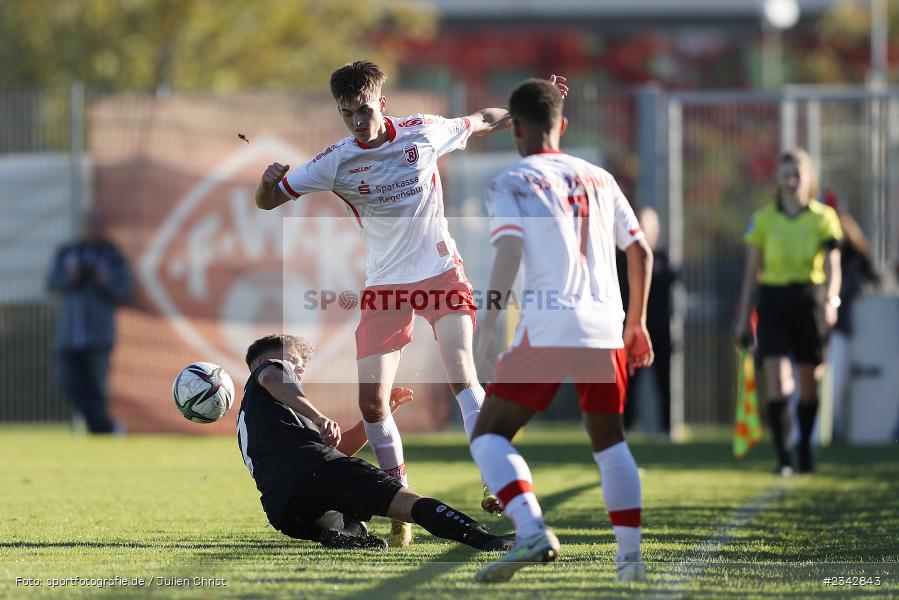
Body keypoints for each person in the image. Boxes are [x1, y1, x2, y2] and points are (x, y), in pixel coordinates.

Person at [255, 60, 568, 546]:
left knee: (461, 371)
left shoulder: (423, 132)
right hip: (386, 289)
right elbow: (269, 202)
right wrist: (267, 181)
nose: (357, 121)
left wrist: (529, 104)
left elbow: (483, 121)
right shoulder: (335, 161)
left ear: (381, 102)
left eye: (362, 109)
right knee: (372, 402)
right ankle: (400, 500)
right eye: (346, 114)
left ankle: (495, 476)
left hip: (442, 273)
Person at [470, 78, 654, 584]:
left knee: (489, 437)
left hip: (550, 323)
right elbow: (640, 251)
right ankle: (630, 563)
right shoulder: (600, 177)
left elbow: (507, 253)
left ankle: (530, 530)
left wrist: (489, 321)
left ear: (517, 128)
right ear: (563, 125)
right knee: (611, 444)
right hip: (606, 325)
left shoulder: (509, 181)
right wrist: (636, 323)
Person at [236, 333, 515, 552]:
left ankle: (349, 533)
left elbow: (334, 452)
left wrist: (375, 420)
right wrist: (320, 418)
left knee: (349, 507)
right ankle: (486, 540)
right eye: (293, 361)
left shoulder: (260, 416)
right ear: (264, 363)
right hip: (315, 473)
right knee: (408, 503)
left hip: (284, 510)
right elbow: (274, 376)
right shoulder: (269, 374)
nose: (298, 368)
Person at [734, 149, 842, 475]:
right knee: (778, 383)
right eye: (785, 176)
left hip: (809, 301)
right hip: (774, 301)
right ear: (778, 181)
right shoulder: (764, 219)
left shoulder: (824, 217)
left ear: (808, 178)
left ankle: (805, 447)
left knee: (809, 384)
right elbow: (752, 272)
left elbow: (833, 267)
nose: (791, 181)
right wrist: (742, 319)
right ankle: (783, 458)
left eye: (796, 175)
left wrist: (831, 301)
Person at [47, 207, 133, 434]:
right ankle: (102, 427)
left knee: (97, 388)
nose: (92, 229)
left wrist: (104, 279)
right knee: (68, 382)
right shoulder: (67, 252)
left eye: (97, 224)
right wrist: (70, 276)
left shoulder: (113, 256)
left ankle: (99, 429)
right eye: (89, 224)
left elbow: (125, 292)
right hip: (68, 335)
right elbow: (52, 283)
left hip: (98, 336)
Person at [821, 190, 879, 440]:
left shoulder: (851, 249)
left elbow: (872, 275)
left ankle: (837, 430)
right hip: (817, 325)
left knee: (838, 383)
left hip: (841, 325)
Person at [618, 207, 675, 433]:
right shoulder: (621, 260)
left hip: (659, 334)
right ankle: (625, 428)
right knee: (627, 383)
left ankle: (666, 429)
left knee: (664, 382)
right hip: (630, 331)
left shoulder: (663, 260)